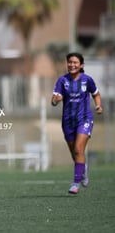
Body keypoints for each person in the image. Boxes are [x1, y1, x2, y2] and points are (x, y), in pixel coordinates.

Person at [51, 52, 103, 194]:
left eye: (75, 62)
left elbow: (96, 94)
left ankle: (75, 183)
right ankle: (83, 170)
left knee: (79, 149)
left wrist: (98, 105)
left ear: (81, 65)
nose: (72, 65)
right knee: (75, 153)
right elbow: (54, 100)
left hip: (85, 119)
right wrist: (56, 100)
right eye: (70, 62)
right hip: (68, 121)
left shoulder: (88, 80)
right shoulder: (62, 81)